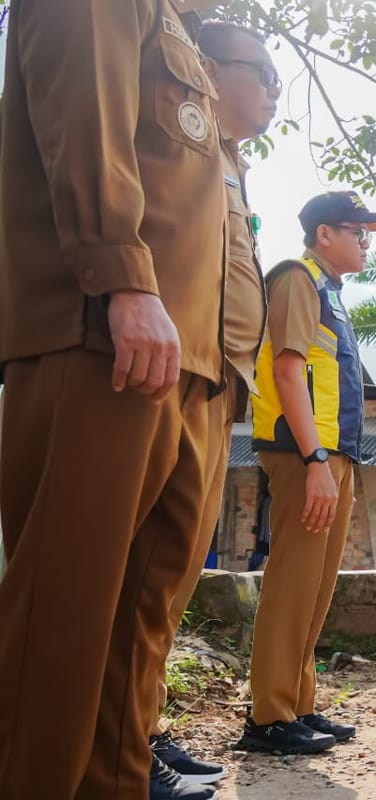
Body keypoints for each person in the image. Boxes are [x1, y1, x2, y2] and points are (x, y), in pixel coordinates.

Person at [0, 2, 228, 797]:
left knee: (133, 632)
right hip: (102, 333)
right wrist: (123, 278)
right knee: (56, 635)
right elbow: (84, 120)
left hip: (180, 357)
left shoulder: (180, 27)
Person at [146, 20, 282, 792]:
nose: (270, 92)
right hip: (169, 367)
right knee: (140, 570)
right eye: (261, 74)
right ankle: (125, 740)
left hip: (218, 382)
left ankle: (146, 728)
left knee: (168, 577)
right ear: (208, 67)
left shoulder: (230, 161)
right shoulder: (182, 143)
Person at [236, 190, 376, 754]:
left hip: (333, 455)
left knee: (317, 588)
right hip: (308, 455)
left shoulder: (331, 293)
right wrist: (314, 460)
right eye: (358, 231)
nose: (366, 241)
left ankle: (298, 704)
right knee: (292, 583)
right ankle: (269, 717)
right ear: (324, 234)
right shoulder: (297, 279)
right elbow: (286, 370)